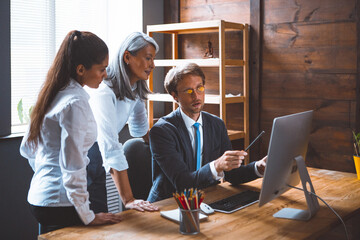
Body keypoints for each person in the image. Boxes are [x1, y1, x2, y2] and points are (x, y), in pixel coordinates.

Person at [19, 30, 121, 234]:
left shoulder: (53, 93)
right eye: (102, 69)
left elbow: (28, 150)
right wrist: (88, 216)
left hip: (41, 198)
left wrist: (49, 172)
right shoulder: (75, 103)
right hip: (60, 204)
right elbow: (73, 166)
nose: (106, 75)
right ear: (81, 69)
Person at [147, 63, 267, 202]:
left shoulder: (216, 124)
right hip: (169, 203)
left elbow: (232, 175)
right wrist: (216, 165)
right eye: (189, 91)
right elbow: (182, 183)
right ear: (175, 96)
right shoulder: (161, 131)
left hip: (208, 198)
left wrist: (258, 168)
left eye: (200, 88)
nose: (196, 96)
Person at [86, 32, 159, 213]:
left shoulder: (135, 87)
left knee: (99, 215)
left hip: (97, 152)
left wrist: (167, 152)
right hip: (84, 155)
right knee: (93, 217)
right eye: (148, 58)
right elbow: (110, 145)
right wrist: (129, 199)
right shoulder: (104, 90)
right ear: (127, 57)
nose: (153, 65)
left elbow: (140, 128)